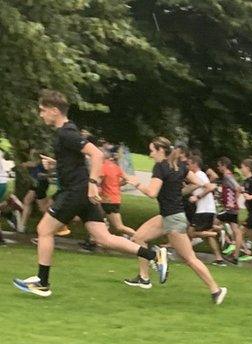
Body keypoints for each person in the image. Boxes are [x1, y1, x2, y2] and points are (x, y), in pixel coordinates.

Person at [13, 90, 165, 297]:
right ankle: (154, 255)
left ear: (55, 110)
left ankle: (42, 282)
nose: (40, 114)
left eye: (43, 110)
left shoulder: (67, 133)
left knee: (44, 229)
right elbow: (76, 162)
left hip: (76, 191)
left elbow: (96, 154)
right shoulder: (67, 132)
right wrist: (56, 165)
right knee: (104, 238)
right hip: (81, 191)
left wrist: (93, 183)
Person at [123, 137, 227, 304]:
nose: (150, 154)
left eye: (152, 150)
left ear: (160, 151)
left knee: (190, 259)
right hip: (168, 216)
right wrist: (180, 192)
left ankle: (216, 290)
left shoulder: (160, 167)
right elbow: (202, 184)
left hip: (173, 219)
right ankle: (144, 278)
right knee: (138, 238)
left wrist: (135, 183)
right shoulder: (181, 167)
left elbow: (152, 193)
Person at [185, 154, 224, 264]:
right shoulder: (198, 175)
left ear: (195, 164)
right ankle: (219, 259)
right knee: (206, 234)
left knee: (191, 233)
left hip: (204, 210)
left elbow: (211, 187)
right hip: (207, 209)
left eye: (189, 164)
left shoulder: (199, 174)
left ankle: (217, 232)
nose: (187, 166)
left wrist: (197, 197)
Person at [98, 146, 137, 237]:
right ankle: (94, 240)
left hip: (107, 200)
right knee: (96, 219)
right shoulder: (115, 167)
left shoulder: (103, 167)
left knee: (119, 227)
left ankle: (139, 237)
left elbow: (98, 182)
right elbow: (126, 179)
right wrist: (117, 185)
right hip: (115, 199)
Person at [215, 157, 245, 264]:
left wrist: (233, 202)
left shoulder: (227, 176)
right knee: (236, 231)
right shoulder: (228, 176)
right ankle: (235, 257)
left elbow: (238, 188)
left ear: (224, 165)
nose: (218, 168)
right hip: (232, 209)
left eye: (219, 165)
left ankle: (224, 237)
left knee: (212, 224)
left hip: (230, 209)